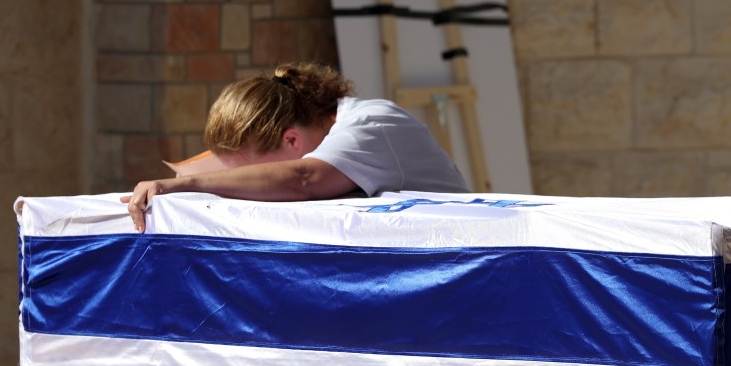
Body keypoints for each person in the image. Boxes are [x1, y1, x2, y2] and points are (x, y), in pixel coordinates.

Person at [122, 61, 470, 232]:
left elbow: (303, 178)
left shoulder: (370, 124)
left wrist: (187, 184)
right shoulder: (327, 132)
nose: (253, 182)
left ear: (291, 139)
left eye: (254, 174)